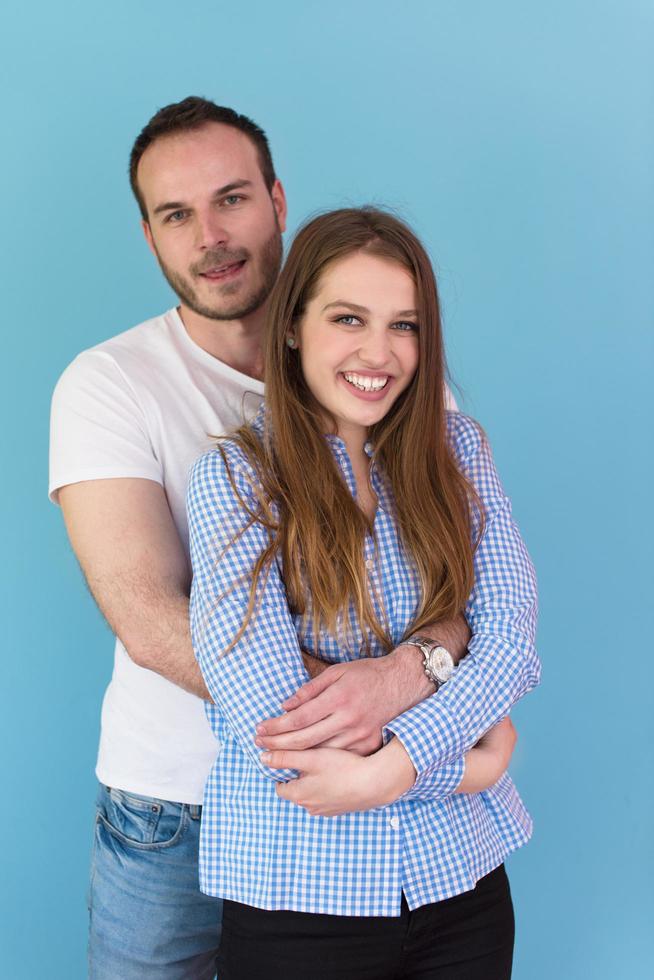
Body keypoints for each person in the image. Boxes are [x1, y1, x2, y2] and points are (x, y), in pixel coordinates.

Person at [49, 98, 514, 978]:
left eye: (231, 200)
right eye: (175, 215)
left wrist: (416, 680)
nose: (210, 236)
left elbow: (467, 600)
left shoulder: (394, 377)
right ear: (149, 237)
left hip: (400, 809)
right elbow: (151, 621)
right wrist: (419, 739)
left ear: (277, 201)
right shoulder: (110, 384)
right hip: (178, 812)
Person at [187, 207, 540, 980]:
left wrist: (391, 768)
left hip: (463, 885)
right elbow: (281, 727)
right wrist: (468, 763)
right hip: (300, 900)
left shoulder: (461, 453)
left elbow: (511, 641)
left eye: (405, 325)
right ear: (292, 327)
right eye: (349, 318)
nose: (380, 353)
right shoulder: (237, 480)